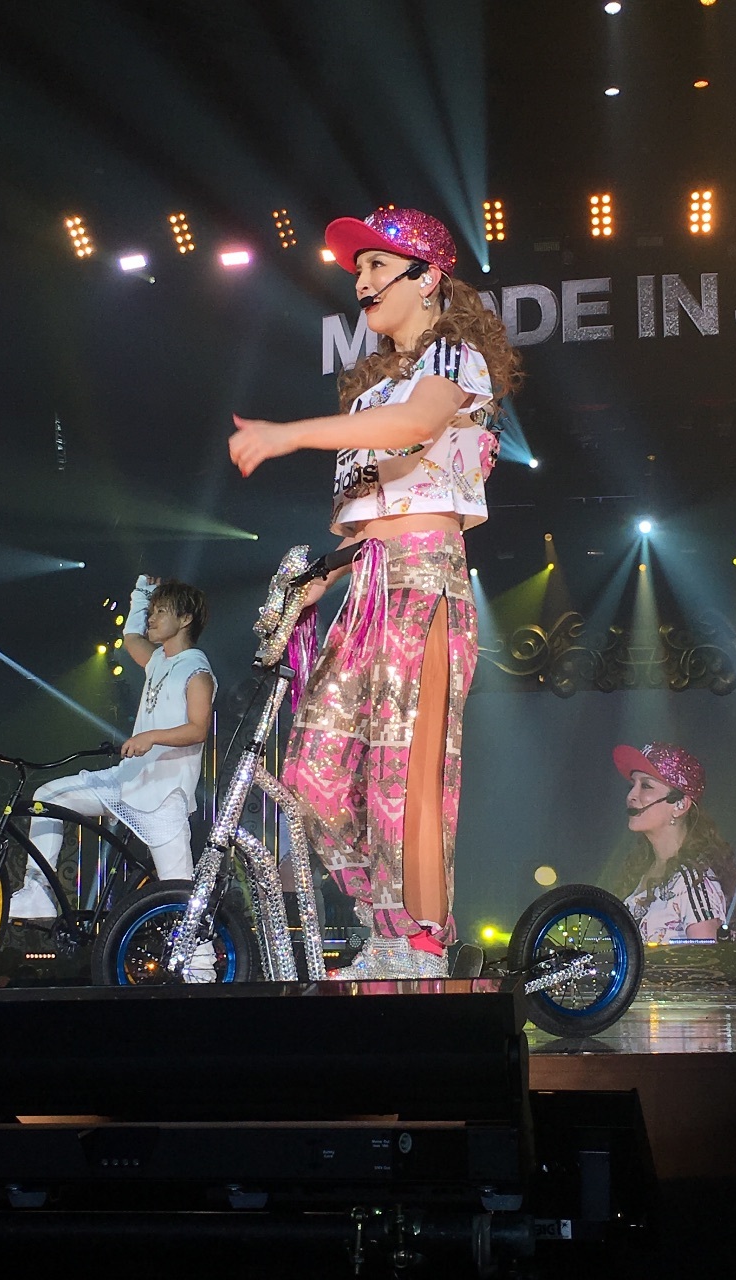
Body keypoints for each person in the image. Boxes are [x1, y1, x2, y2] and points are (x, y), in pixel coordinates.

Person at [229, 207, 522, 978]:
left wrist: (288, 434)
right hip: (367, 585)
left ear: (427, 279)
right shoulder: (370, 393)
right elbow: (365, 516)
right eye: (357, 269)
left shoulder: (453, 360)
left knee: (408, 772)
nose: (360, 281)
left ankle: (419, 940)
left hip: (425, 578)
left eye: (377, 266)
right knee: (311, 776)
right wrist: (317, 582)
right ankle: (384, 918)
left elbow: (416, 425)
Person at [9, 577, 218, 977]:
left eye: (161, 611)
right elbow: (131, 637)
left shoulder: (197, 669)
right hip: (128, 781)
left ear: (185, 618)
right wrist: (140, 594)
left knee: (182, 892)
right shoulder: (159, 661)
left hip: (164, 798)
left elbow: (198, 729)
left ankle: (203, 970)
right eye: (152, 611)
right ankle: (37, 892)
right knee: (49, 796)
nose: (152, 618)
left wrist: (151, 737)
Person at [612, 742, 736, 943]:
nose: (631, 796)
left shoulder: (692, 880)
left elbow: (706, 959)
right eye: (632, 786)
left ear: (680, 805)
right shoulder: (640, 871)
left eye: (646, 786)